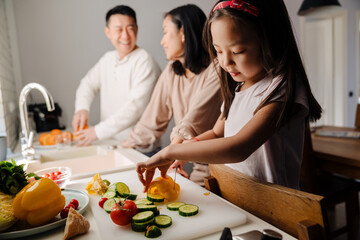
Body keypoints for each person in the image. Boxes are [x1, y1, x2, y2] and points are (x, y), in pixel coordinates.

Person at [136, 0, 322, 191]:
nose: (226, 62)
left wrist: (171, 151)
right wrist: (183, 153)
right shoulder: (238, 88)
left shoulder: (281, 88)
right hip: (238, 197)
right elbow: (217, 133)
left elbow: (238, 148)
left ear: (270, 41)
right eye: (218, 51)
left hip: (275, 207)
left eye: (237, 51)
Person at [122, 4, 222, 186]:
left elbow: (193, 120)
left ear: (183, 33)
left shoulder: (217, 69)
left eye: (166, 32)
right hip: (184, 160)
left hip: (219, 169)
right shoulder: (172, 71)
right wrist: (124, 146)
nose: (162, 41)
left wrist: (171, 152)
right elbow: (151, 121)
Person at [72, 5, 161, 146]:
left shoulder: (144, 61)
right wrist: (82, 108)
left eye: (130, 28)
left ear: (137, 29)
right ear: (108, 32)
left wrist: (97, 131)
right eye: (118, 29)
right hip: (112, 144)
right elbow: (87, 84)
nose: (125, 36)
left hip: (139, 148)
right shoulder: (108, 58)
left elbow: (135, 108)